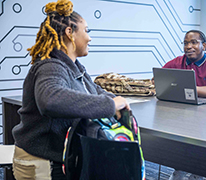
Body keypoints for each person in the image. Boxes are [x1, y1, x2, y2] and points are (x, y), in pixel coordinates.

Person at [11, 0, 130, 179]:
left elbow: (93, 90)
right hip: (41, 162)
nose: (89, 37)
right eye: (86, 31)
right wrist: (110, 105)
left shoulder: (75, 67)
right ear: (70, 33)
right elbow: (51, 99)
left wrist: (114, 101)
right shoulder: (51, 66)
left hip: (58, 158)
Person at [162, 30, 206, 98]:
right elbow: (157, 80)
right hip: (180, 104)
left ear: (204, 46)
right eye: (185, 43)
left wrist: (186, 89)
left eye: (194, 42)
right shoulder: (176, 62)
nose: (188, 46)